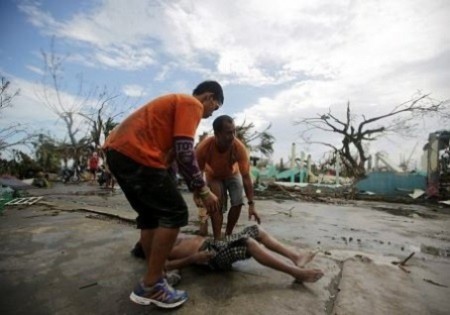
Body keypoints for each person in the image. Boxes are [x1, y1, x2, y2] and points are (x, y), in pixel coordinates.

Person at [103, 81, 224, 309]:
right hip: (136, 153)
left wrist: (186, 185)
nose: (209, 114)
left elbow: (171, 159)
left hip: (118, 152)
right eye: (214, 108)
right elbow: (185, 151)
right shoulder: (191, 104)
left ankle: (154, 276)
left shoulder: (174, 105)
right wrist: (203, 189)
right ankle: (151, 285)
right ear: (208, 97)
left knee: (151, 216)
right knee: (176, 213)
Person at [136, 225, 324, 283]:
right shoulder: (159, 253)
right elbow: (166, 267)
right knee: (248, 243)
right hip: (209, 257)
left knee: (256, 230)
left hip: (214, 244)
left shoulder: (169, 234)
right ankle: (295, 272)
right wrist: (194, 259)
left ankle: (295, 256)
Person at [195, 115, 260, 239]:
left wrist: (251, 204)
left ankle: (228, 235)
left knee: (238, 202)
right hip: (213, 176)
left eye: (234, 131)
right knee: (216, 205)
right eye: (228, 133)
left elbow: (246, 177)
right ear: (217, 134)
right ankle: (217, 239)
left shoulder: (239, 148)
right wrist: (197, 193)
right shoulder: (204, 147)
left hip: (232, 174)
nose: (232, 136)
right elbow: (197, 172)